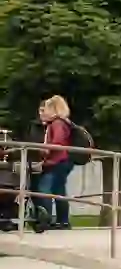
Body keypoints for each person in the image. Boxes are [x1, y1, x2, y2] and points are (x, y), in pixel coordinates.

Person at [33, 96, 75, 230]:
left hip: (56, 162)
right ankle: (63, 221)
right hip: (62, 161)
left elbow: (57, 142)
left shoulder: (57, 124)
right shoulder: (62, 123)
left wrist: (45, 149)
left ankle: (46, 220)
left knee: (44, 189)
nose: (44, 112)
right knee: (58, 190)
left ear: (54, 109)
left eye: (46, 109)